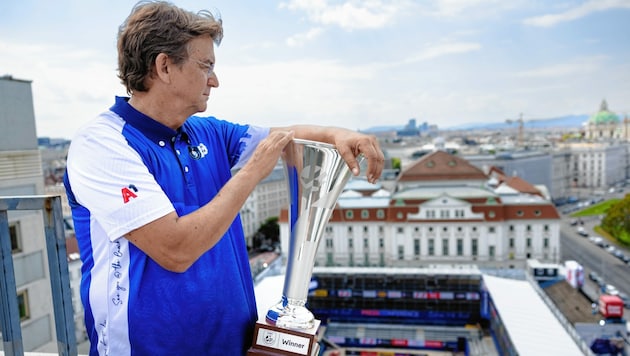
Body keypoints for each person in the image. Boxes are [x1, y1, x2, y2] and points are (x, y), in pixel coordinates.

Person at [63, 1, 384, 355]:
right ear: (164, 67)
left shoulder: (206, 132)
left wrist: (337, 134)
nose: (214, 80)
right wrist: (251, 173)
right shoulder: (102, 143)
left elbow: (284, 136)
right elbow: (175, 249)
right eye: (205, 66)